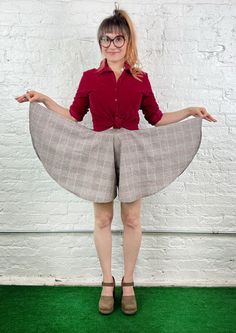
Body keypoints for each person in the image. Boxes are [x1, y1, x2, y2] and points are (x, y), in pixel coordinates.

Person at [15, 7, 217, 316]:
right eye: (105, 39)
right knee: (102, 220)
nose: (111, 45)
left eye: (118, 38)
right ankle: (107, 282)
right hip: (99, 151)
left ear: (128, 41)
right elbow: (73, 116)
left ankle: (129, 282)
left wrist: (191, 111)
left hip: (133, 151)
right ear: (100, 43)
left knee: (132, 219)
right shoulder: (89, 78)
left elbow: (157, 118)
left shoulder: (140, 80)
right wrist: (42, 99)